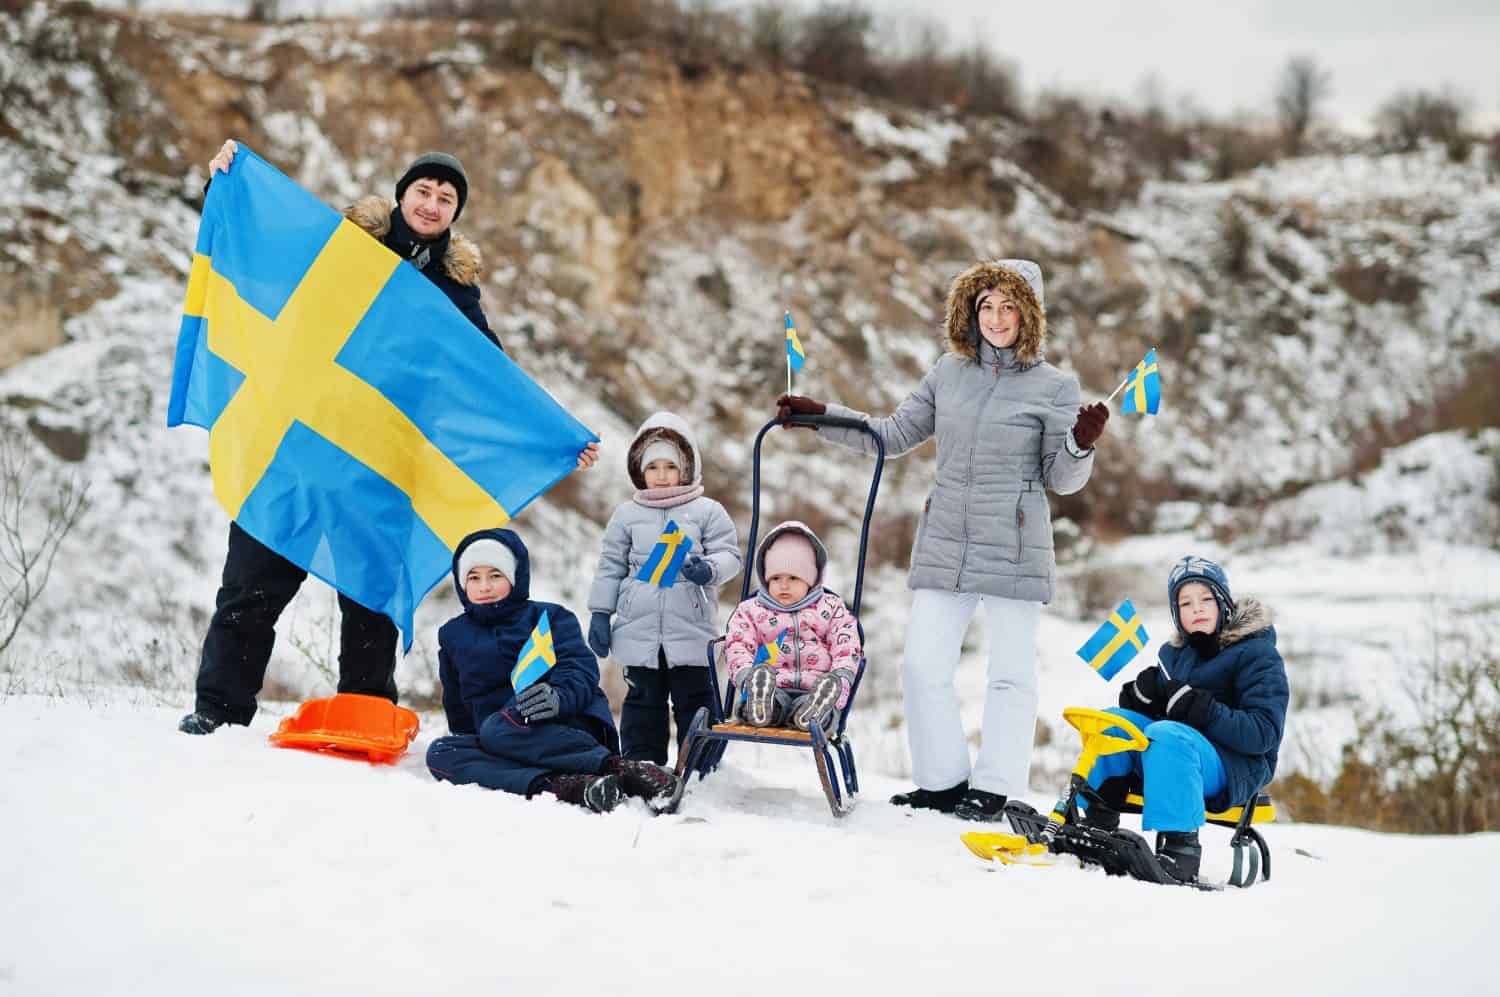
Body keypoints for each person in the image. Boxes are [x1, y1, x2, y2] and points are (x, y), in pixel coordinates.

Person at [178, 141, 600, 734]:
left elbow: (490, 381)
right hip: (294, 451)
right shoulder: (343, 246)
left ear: (456, 214)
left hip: (376, 468)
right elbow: (265, 250)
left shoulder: (456, 297)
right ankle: (217, 713)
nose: (431, 204)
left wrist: (554, 437)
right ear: (402, 195)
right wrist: (227, 183)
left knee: (372, 602)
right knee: (249, 590)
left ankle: (364, 717)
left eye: (446, 198)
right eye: (423, 191)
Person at [776, 258, 1108, 821]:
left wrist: (1079, 444)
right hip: (947, 537)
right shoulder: (948, 373)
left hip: (1016, 542)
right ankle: (944, 782)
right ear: (970, 312)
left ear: (1029, 315)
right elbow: (893, 434)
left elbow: (1061, 479)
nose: (997, 318)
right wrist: (820, 417)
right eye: (986, 306)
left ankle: (995, 785)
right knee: (920, 665)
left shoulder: (1055, 386)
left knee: (1009, 674)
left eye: (1008, 307)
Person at [424, 528, 680, 813]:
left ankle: (621, 769)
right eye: (474, 577)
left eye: (495, 575)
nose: (484, 586)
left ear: (515, 576)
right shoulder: (453, 634)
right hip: (501, 740)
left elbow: (581, 672)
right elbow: (458, 704)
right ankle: (571, 786)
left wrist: (557, 696)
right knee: (442, 752)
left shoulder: (550, 617)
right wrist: (474, 744)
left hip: (564, 726)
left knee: (497, 728)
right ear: (462, 583)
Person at [1078, 556, 1289, 883]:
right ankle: (1095, 823)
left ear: (1224, 604)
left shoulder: (1257, 654)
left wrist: (1205, 710)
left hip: (1234, 766)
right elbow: (1164, 717)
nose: (1198, 609)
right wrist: (1141, 699)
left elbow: (1264, 733)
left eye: (1206, 599)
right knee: (1113, 724)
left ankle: (1180, 851)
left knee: (1167, 736)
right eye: (1186, 603)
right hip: (1178, 755)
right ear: (1177, 614)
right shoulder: (1173, 655)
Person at [587, 413, 741, 764]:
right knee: (643, 702)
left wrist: (709, 570)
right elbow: (611, 566)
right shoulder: (626, 514)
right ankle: (644, 766)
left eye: (669, 466)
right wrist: (600, 613)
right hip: (637, 627)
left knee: (695, 700)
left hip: (690, 627)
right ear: (639, 470)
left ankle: (701, 766)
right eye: (652, 466)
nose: (660, 475)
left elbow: (730, 554)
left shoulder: (707, 511)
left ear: (686, 468)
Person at [724, 521, 862, 731]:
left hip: (816, 687)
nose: (784, 585)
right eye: (776, 578)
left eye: (794, 578)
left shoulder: (831, 608)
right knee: (767, 701)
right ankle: (761, 703)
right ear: (765, 578)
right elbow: (738, 645)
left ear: (812, 579)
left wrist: (841, 678)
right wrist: (746, 676)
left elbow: (847, 645)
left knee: (827, 711)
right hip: (772, 685)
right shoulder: (751, 610)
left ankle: (815, 711)